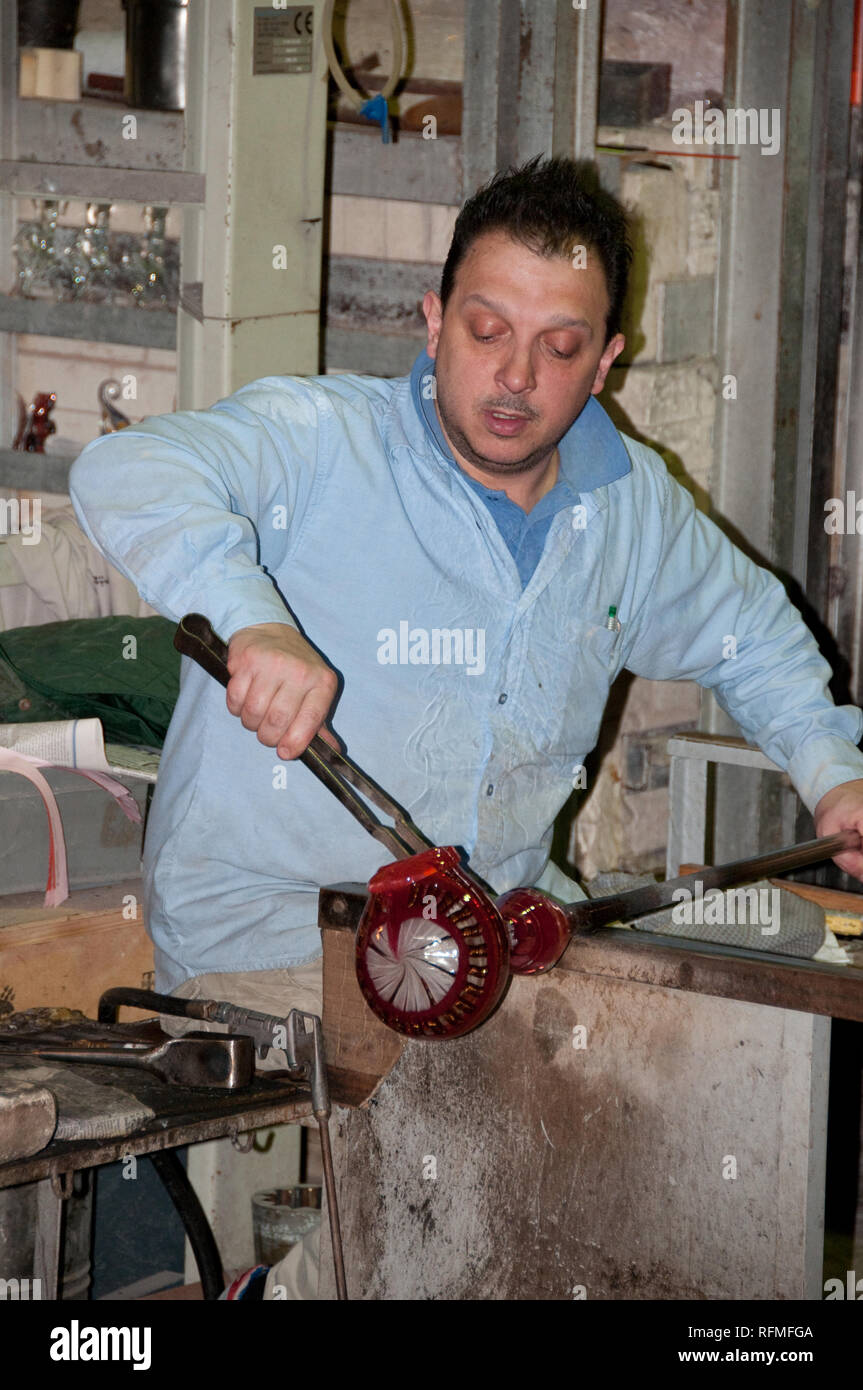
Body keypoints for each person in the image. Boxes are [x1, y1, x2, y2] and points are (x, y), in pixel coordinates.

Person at [69, 156, 863, 1297]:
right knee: (499, 1122)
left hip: (498, 925)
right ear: (433, 320)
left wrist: (831, 775)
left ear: (606, 362)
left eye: (558, 346)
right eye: (487, 330)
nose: (515, 376)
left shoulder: (627, 506)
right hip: (275, 931)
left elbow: (755, 638)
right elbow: (126, 466)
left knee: (702, 1063)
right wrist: (253, 619)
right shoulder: (319, 442)